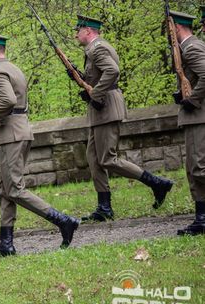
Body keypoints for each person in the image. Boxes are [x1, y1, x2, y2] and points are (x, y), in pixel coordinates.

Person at [0, 33, 80, 257]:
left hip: (10, 134)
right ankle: (6, 244)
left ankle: (63, 221)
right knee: (6, 189)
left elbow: (8, 100)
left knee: (14, 188)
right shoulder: (14, 68)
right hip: (20, 130)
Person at [72, 15, 173, 222]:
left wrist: (95, 93)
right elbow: (98, 76)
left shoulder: (97, 48)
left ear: (88, 31)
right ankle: (104, 207)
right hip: (99, 110)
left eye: (78, 30)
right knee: (94, 159)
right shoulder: (92, 50)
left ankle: (157, 183)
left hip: (106, 108)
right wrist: (80, 78)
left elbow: (113, 71)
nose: (75, 34)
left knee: (107, 158)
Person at [169, 11, 205, 236]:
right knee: (193, 169)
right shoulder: (186, 48)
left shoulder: (191, 47)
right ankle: (202, 217)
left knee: (199, 167)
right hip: (195, 116)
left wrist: (192, 99)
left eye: (169, 27)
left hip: (199, 115)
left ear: (177, 28)